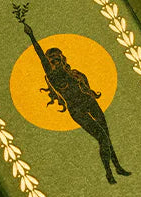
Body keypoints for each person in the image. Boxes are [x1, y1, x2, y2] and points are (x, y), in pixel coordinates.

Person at [18, 14, 130, 184]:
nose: (55, 61)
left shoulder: (74, 73)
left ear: (62, 58)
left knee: (107, 135)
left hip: (89, 101)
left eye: (57, 57)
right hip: (76, 109)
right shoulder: (52, 74)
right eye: (51, 59)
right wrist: (31, 36)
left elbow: (83, 86)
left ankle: (118, 167)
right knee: (101, 137)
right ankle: (109, 173)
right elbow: (40, 56)